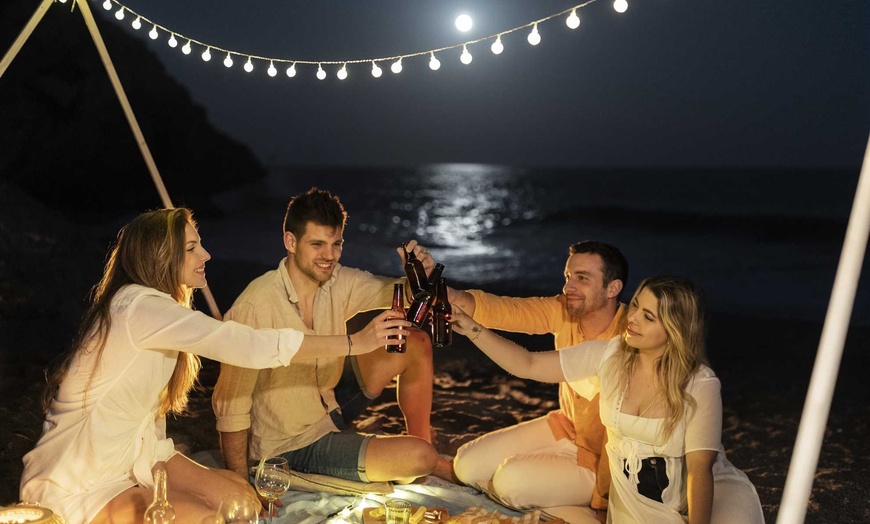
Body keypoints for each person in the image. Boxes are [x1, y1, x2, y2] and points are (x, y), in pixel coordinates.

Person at [19, 208, 409, 524]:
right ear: (161, 255)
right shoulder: (138, 307)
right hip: (79, 482)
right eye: (192, 248)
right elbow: (247, 345)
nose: (205, 255)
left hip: (140, 459)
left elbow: (146, 423)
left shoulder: (157, 309)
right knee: (207, 517)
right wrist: (355, 343)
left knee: (242, 502)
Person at [451, 276, 764, 524]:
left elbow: (699, 470)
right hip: (637, 499)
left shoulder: (699, 383)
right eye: (635, 305)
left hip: (707, 494)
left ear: (674, 330)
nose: (633, 318)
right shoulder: (610, 355)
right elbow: (528, 364)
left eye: (648, 316)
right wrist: (472, 329)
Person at [213, 187, 447, 490]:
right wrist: (240, 483)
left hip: (330, 404)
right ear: (290, 242)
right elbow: (230, 403)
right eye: (317, 244)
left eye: (336, 244)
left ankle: (423, 444)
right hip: (290, 443)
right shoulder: (254, 306)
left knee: (415, 343)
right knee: (419, 458)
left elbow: (397, 292)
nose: (329, 256)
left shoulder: (336, 280)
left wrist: (419, 276)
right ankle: (422, 459)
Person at [449, 241, 628, 520]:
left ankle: (575, 507)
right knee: (466, 466)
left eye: (582, 278)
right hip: (565, 427)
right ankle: (556, 498)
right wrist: (453, 297)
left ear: (612, 288)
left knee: (510, 483)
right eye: (568, 276)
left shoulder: (631, 338)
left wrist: (603, 500)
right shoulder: (564, 310)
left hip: (603, 458)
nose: (568, 287)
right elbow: (508, 310)